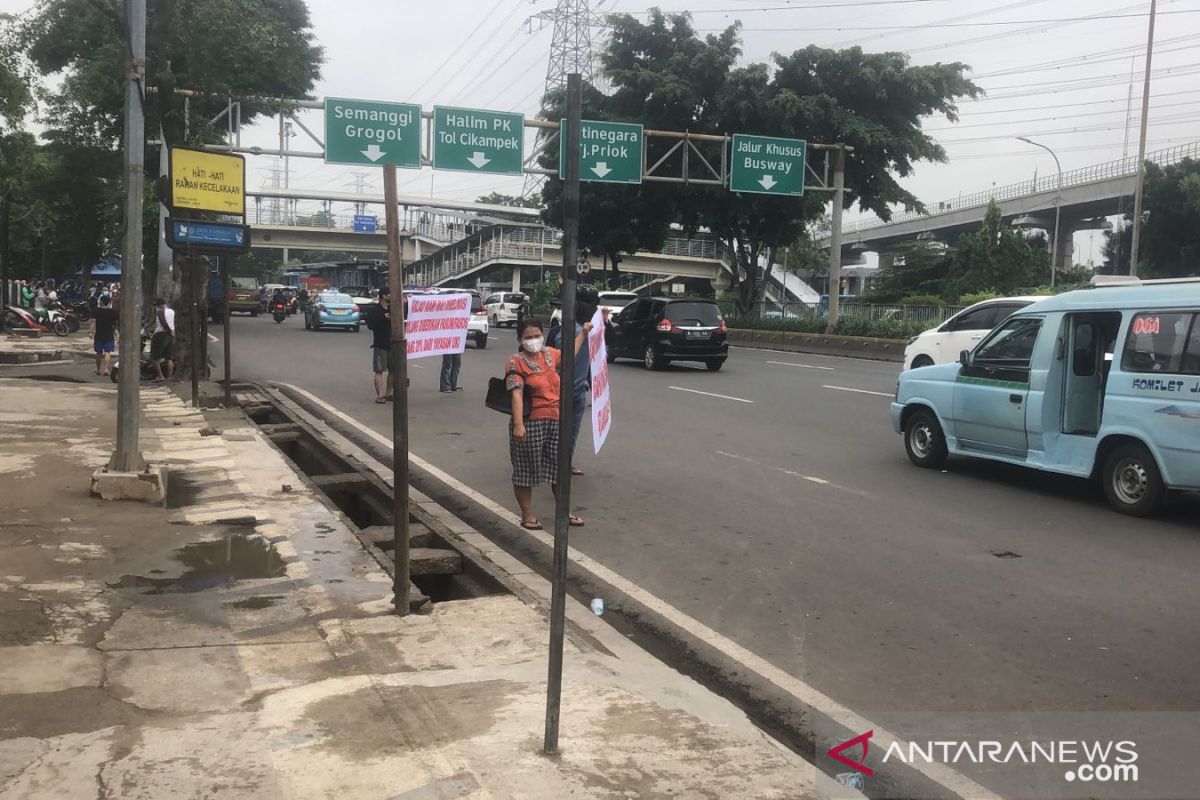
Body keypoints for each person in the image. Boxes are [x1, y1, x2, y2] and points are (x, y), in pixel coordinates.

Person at [505, 317, 590, 530]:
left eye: (536, 336)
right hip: (530, 422)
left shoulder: (549, 355)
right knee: (526, 469)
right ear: (520, 339)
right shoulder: (515, 362)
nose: (533, 340)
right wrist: (518, 425)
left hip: (555, 419)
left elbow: (570, 355)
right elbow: (516, 394)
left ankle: (564, 511)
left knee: (559, 469)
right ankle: (527, 515)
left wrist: (584, 333)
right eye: (528, 337)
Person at [547, 285, 600, 476]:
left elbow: (594, 360)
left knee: (569, 430)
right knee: (560, 430)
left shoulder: (590, 331)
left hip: (576, 390)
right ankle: (557, 464)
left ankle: (563, 463)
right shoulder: (572, 331)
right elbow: (560, 358)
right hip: (561, 391)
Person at [365, 287, 393, 404]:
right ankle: (380, 395)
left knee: (393, 370)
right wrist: (383, 318)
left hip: (393, 343)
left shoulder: (394, 309)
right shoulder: (375, 310)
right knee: (379, 370)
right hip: (380, 344)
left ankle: (388, 393)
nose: (391, 297)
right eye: (389, 295)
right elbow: (370, 325)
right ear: (384, 296)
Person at [90, 294, 117, 376]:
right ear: (108, 303)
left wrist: (91, 332)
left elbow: (93, 322)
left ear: (101, 302)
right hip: (109, 333)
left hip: (99, 334)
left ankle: (98, 369)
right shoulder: (112, 312)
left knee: (98, 352)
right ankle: (106, 369)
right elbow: (115, 323)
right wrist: (117, 332)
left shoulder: (96, 311)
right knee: (107, 352)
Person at [150, 298, 176, 381]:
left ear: (161, 305)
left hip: (161, 335)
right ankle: (170, 377)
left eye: (157, 305)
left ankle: (160, 376)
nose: (156, 307)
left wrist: (169, 331)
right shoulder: (172, 311)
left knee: (154, 358)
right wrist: (172, 332)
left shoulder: (160, 313)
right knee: (169, 358)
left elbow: (163, 323)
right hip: (170, 336)